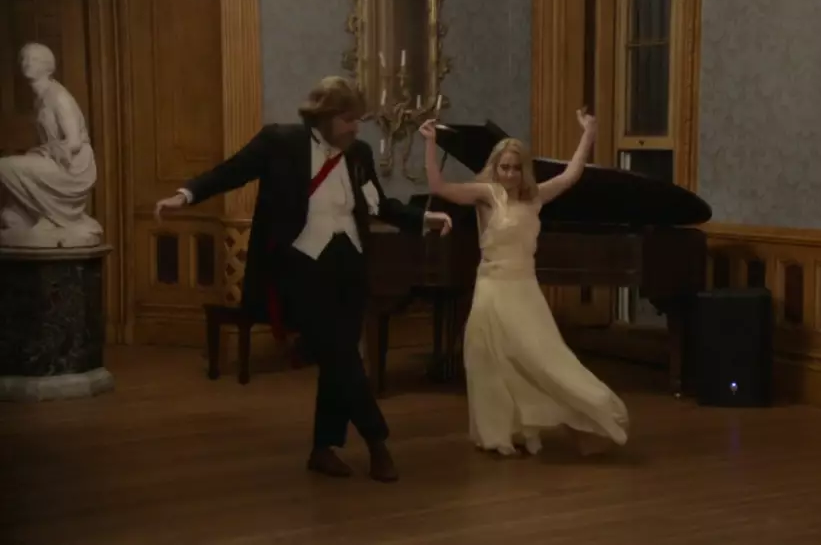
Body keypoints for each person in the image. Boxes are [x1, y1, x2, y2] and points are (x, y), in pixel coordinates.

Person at [154, 76, 453, 482]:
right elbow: (230, 172)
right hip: (302, 268)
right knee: (342, 355)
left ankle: (322, 449)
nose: (356, 128)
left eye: (358, 120)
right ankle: (377, 441)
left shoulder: (359, 154)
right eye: (348, 119)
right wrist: (185, 195)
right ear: (324, 117)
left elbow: (378, 205)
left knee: (337, 358)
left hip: (350, 266)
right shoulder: (280, 143)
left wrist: (423, 218)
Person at [418, 110, 628, 456]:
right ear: (495, 168)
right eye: (504, 167)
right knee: (488, 359)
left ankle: (586, 411)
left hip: (524, 289)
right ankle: (499, 433)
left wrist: (589, 132)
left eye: (516, 168)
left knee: (542, 358)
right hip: (492, 286)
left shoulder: (535, 197)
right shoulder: (486, 194)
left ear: (523, 170)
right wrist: (430, 144)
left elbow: (571, 175)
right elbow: (438, 187)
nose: (510, 174)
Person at [0, 42, 103, 248]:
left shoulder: (59, 97)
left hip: (72, 166)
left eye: (35, 59)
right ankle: (43, 216)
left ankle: (51, 217)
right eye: (24, 58)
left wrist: (42, 153)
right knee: (10, 177)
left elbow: (74, 142)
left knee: (5, 166)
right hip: (54, 158)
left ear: (48, 67)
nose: (27, 63)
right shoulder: (40, 99)